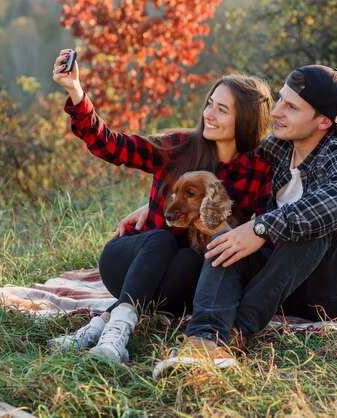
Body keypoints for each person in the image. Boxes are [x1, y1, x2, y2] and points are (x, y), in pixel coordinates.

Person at [153, 65, 337, 378]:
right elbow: (224, 167)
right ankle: (204, 342)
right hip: (287, 285)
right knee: (227, 243)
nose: (276, 113)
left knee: (322, 222)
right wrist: (163, 201)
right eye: (280, 100)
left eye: (291, 107)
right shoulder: (278, 148)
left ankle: (235, 334)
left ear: (323, 121)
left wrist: (262, 227)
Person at [48, 49, 273, 363]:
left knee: (196, 258)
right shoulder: (180, 146)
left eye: (222, 110)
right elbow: (113, 145)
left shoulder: (258, 170)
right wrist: (75, 92)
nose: (209, 114)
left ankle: (99, 325)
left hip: (180, 280)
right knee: (163, 239)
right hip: (132, 258)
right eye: (210, 104)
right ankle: (116, 337)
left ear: (246, 120)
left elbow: (264, 226)